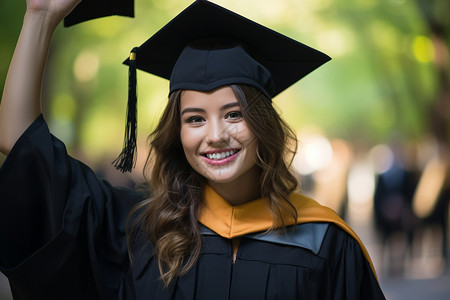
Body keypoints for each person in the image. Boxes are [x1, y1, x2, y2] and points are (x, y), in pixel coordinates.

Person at [0, 0, 385, 299]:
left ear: (263, 124)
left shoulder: (324, 240)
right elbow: (20, 146)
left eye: (234, 114)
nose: (215, 135)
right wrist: (40, 16)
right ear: (177, 133)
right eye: (195, 119)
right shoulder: (141, 230)